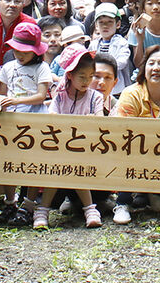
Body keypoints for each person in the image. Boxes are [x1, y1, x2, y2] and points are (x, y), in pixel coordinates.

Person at [111, 45, 160, 223]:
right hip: (133, 151)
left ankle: (151, 192)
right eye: (151, 63)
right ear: (144, 68)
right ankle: (123, 202)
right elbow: (124, 135)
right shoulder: (131, 94)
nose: (156, 68)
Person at [32, 46, 106, 229]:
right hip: (59, 149)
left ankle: (88, 208)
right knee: (59, 166)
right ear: (70, 75)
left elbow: (100, 121)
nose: (87, 81)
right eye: (82, 77)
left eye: (91, 77)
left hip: (86, 150)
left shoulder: (95, 97)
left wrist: (92, 120)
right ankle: (44, 209)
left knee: (74, 163)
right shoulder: (60, 96)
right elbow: (52, 117)